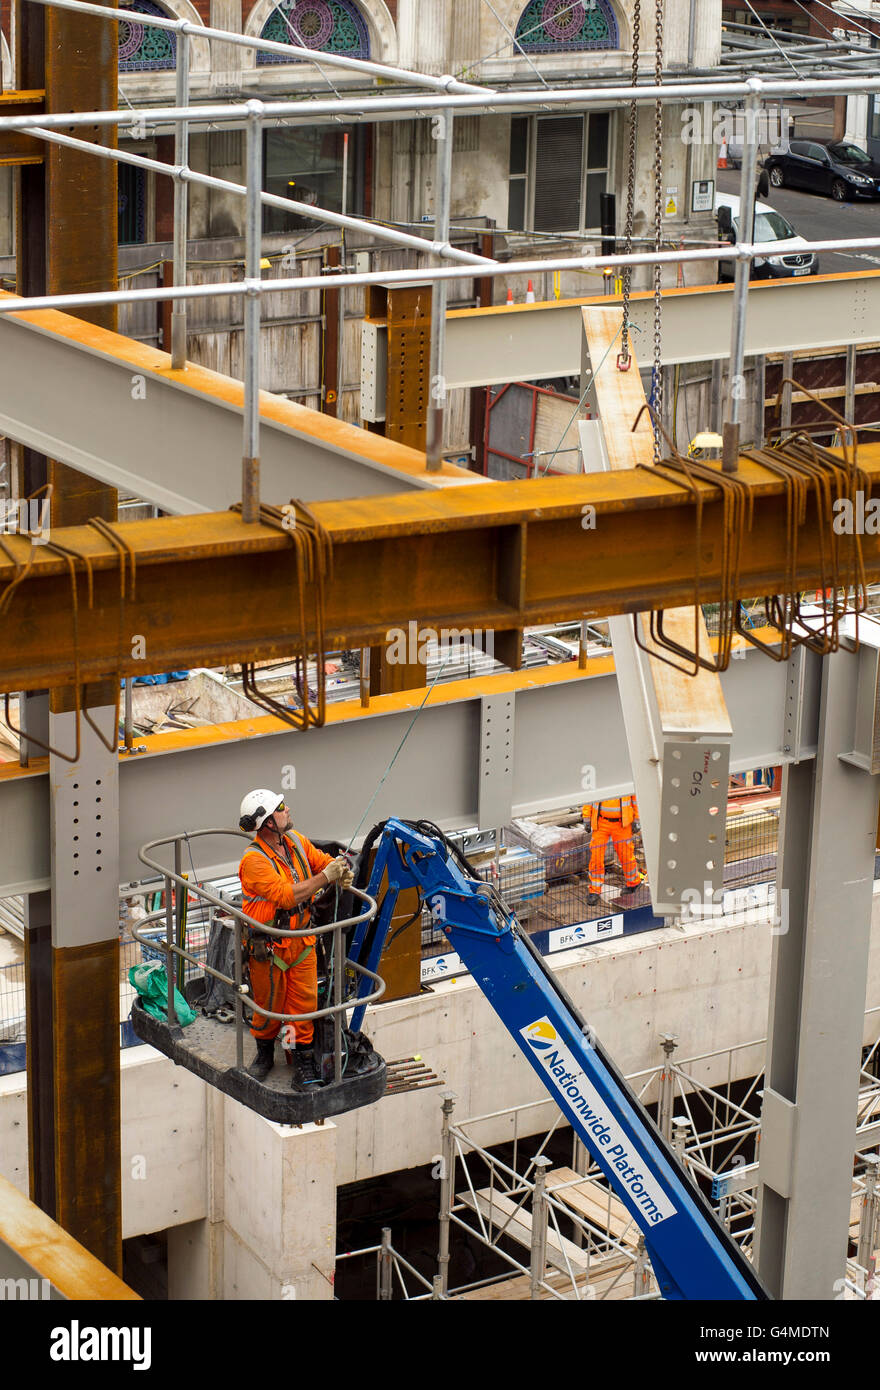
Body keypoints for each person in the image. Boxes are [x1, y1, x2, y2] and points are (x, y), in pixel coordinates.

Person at [237, 789, 352, 1089]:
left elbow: (322, 861)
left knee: (303, 1006)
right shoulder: (254, 861)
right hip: (270, 945)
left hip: (302, 941)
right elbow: (286, 897)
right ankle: (264, 1054)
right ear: (267, 824)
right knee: (269, 1004)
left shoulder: (296, 842)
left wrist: (341, 871)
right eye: (281, 808)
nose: (288, 810)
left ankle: (303, 1064)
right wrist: (327, 877)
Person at [582, 795, 646, 906]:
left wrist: (637, 819)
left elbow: (636, 799)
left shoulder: (626, 780)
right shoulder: (599, 779)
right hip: (601, 823)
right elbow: (589, 797)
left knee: (626, 855)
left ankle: (634, 884)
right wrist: (586, 818)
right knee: (596, 857)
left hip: (622, 825)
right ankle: (594, 890)